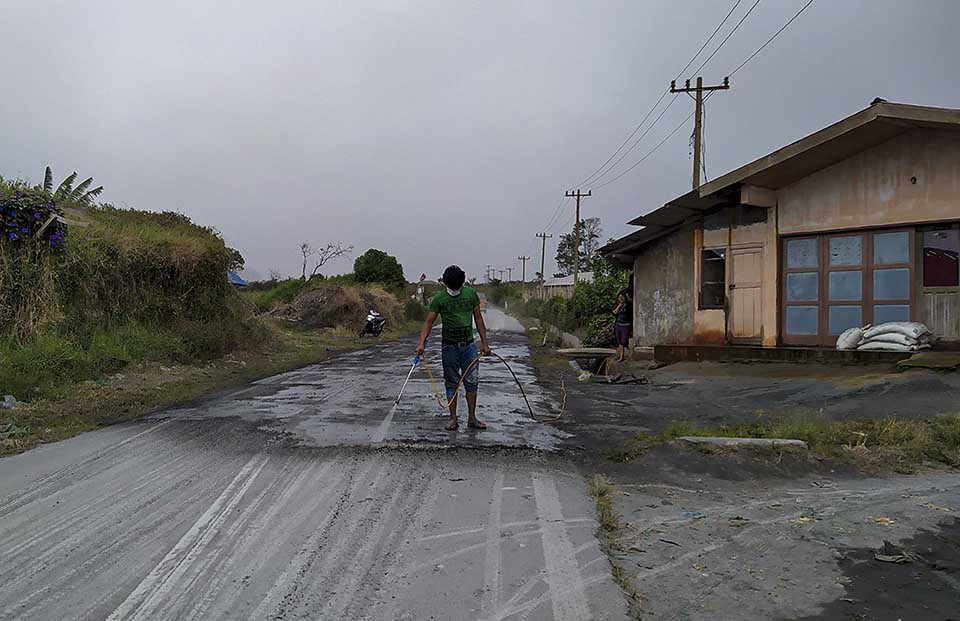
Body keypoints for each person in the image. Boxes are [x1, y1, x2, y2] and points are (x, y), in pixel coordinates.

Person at [416, 265, 492, 431]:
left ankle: (472, 418)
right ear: (446, 284)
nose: (455, 290)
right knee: (451, 383)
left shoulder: (471, 294)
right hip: (449, 347)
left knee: (472, 382)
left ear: (463, 283)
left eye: (458, 287)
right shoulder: (439, 299)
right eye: (452, 287)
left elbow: (478, 319)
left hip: (469, 347)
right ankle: (453, 419)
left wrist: (484, 344)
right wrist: (422, 342)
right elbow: (429, 322)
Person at [612, 290, 632, 363]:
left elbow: (630, 314)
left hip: (626, 325)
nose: (621, 299)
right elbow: (614, 313)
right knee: (619, 341)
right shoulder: (618, 305)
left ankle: (624, 355)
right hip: (618, 324)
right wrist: (619, 306)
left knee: (624, 341)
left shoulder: (629, 305)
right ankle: (621, 356)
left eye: (622, 297)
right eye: (619, 297)